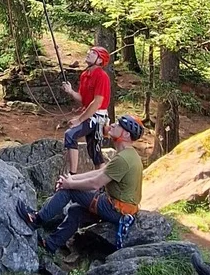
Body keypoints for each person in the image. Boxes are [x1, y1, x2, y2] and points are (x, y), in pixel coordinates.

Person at [16, 115, 145, 254]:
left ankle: (36, 219)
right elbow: (100, 172)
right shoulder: (128, 155)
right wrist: (72, 179)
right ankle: (51, 244)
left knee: (69, 191)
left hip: (116, 209)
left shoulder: (123, 159)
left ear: (126, 134)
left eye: (118, 125)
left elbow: (95, 183)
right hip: (120, 208)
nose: (112, 125)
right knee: (75, 210)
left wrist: (70, 185)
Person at [60, 45, 112, 173]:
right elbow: (84, 99)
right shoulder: (85, 75)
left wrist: (80, 119)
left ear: (100, 61)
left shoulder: (101, 76)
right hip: (90, 115)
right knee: (94, 152)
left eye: (93, 53)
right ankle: (98, 182)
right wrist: (71, 91)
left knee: (72, 135)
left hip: (98, 117)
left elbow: (97, 102)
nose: (89, 53)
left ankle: (72, 175)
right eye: (89, 52)